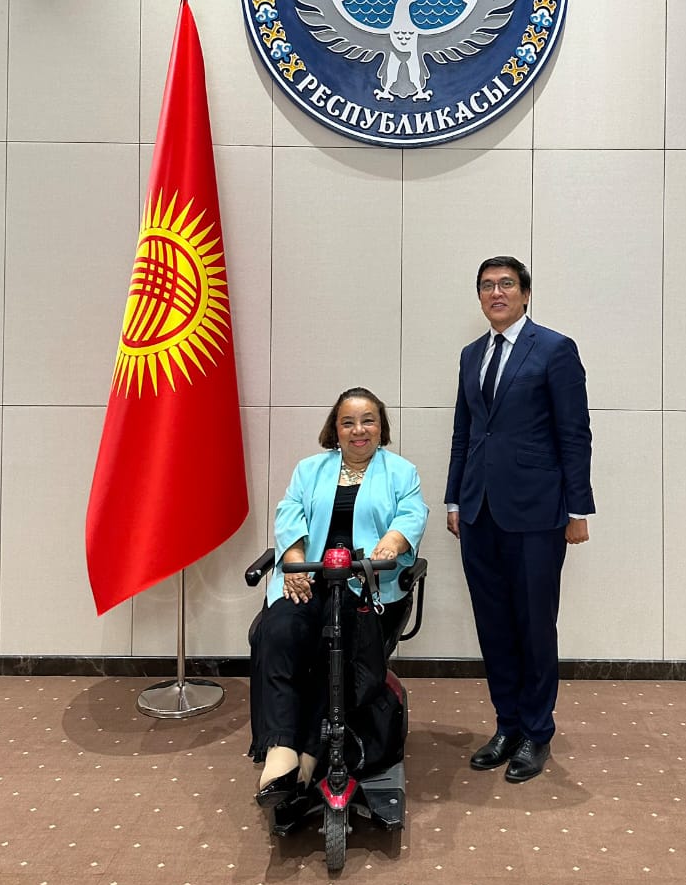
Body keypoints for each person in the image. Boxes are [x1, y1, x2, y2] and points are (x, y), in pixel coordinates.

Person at [445, 256, 594, 783]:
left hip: (537, 514)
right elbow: (466, 432)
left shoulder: (555, 349)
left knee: (533, 623)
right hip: (478, 512)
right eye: (486, 285)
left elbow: (574, 434)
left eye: (506, 284)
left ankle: (537, 731)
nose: (496, 292)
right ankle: (507, 723)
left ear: (526, 294)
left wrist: (578, 509)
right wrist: (454, 500)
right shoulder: (470, 355)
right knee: (494, 624)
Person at [252, 387, 428, 807]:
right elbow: (289, 511)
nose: (358, 430)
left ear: (381, 426)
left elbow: (412, 513)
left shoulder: (401, 472)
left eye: (368, 420)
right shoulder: (310, 469)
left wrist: (393, 541)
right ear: (335, 429)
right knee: (273, 634)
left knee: (341, 647)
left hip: (365, 585)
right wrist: (293, 556)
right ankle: (280, 748)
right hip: (310, 579)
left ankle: (312, 749)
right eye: (348, 422)